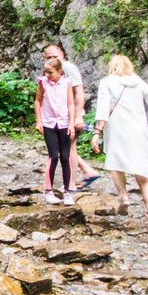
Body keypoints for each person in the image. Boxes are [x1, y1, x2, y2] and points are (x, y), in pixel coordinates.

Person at [90, 55, 148, 232]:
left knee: (116, 165)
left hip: (117, 131)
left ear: (112, 67)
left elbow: (103, 109)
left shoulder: (107, 82)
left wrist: (97, 132)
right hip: (138, 132)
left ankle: (124, 196)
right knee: (144, 178)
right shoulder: (138, 82)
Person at [42, 44, 102, 191]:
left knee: (69, 149)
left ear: (62, 55)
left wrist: (78, 116)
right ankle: (88, 171)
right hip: (58, 117)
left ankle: (71, 183)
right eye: (49, 57)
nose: (52, 59)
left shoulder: (68, 68)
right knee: (64, 147)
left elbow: (79, 92)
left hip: (71, 116)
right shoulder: (51, 69)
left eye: (55, 56)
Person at [35, 58, 77, 205]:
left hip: (64, 123)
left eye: (50, 72)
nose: (47, 75)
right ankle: (48, 191)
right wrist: (38, 120)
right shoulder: (43, 82)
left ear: (59, 71)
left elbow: (70, 103)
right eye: (45, 72)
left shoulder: (66, 83)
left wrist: (72, 124)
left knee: (65, 156)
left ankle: (67, 192)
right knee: (53, 156)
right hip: (49, 123)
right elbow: (38, 100)